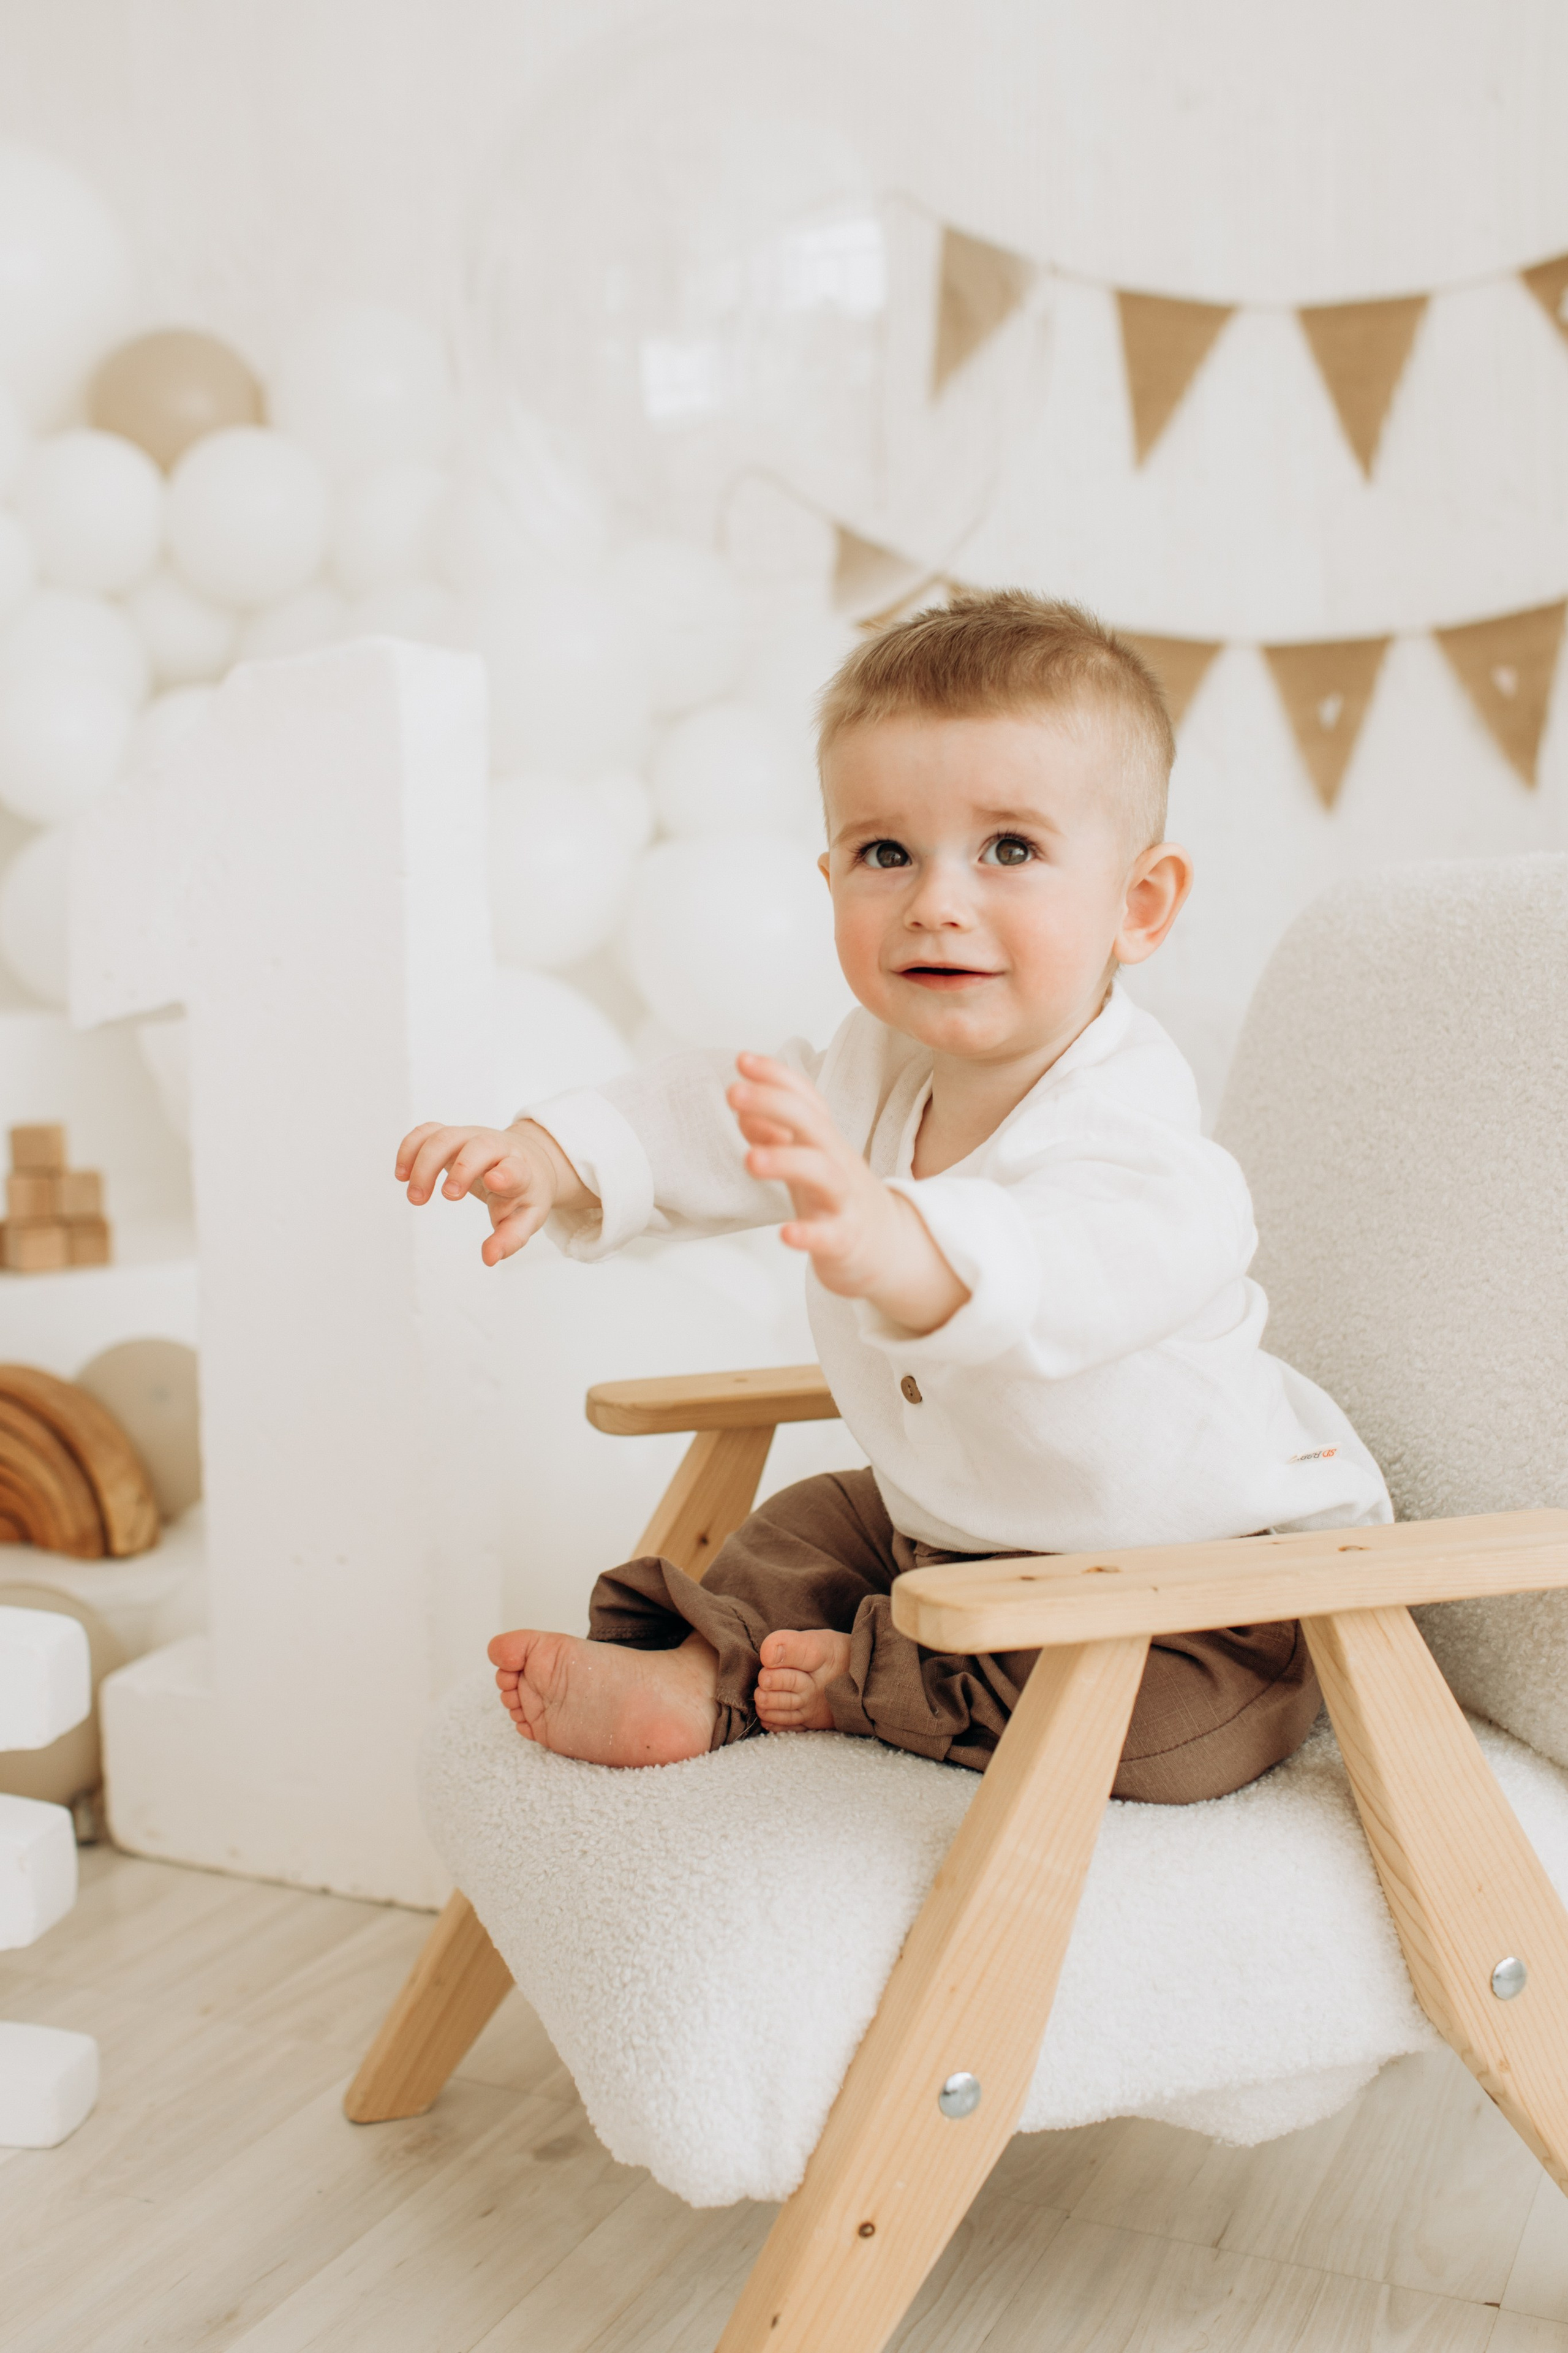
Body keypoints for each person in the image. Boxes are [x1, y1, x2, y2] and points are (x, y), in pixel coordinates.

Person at [395, 590, 1390, 1797]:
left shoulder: (1139, 1134)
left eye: (1008, 849)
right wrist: (561, 1152)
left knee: (1163, 1731)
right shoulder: (869, 1069)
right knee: (811, 1524)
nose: (936, 899)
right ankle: (696, 1677)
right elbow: (722, 1116)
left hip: (1190, 1584)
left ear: (1138, 904)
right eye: (885, 853)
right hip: (951, 1528)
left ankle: (862, 1684)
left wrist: (891, 1238)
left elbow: (1051, 1267)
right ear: (829, 880)